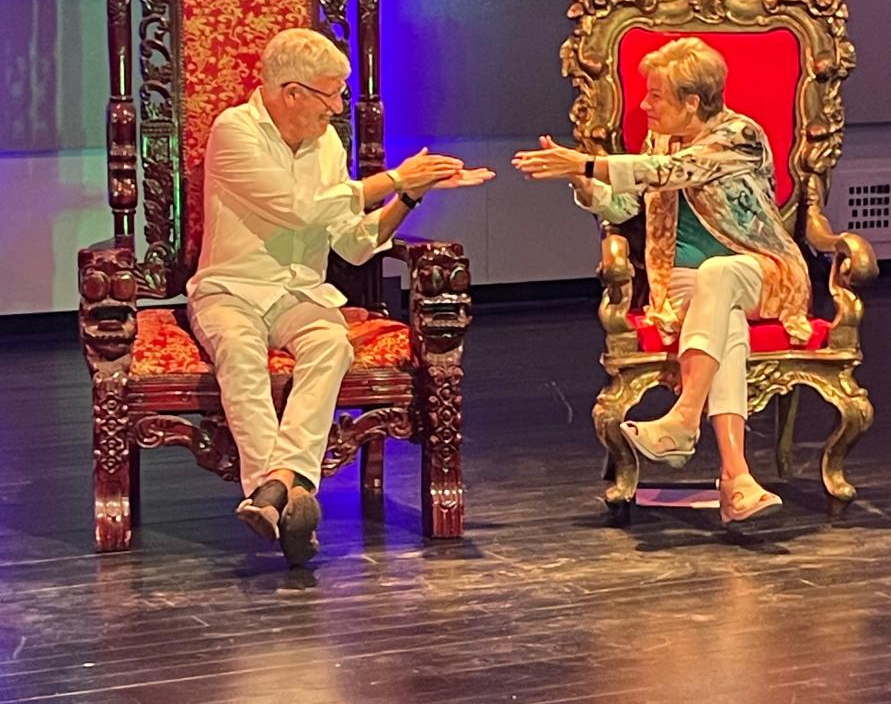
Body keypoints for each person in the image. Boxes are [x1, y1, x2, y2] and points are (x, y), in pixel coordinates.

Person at [187, 28, 493, 564]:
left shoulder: (327, 143)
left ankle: (274, 490)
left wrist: (409, 194)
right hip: (230, 289)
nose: (337, 107)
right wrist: (392, 175)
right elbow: (299, 209)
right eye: (329, 94)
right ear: (291, 93)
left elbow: (353, 244)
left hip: (298, 292)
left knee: (331, 342)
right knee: (238, 351)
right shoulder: (233, 131)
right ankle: (286, 490)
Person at [513, 35, 813, 526]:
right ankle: (737, 479)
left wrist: (588, 160)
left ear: (692, 102)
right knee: (725, 319)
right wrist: (581, 182)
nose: (644, 105)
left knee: (721, 275)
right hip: (685, 284)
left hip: (764, 272)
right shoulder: (659, 142)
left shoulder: (739, 136)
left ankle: (684, 417)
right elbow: (627, 205)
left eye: (656, 96)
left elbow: (671, 172)